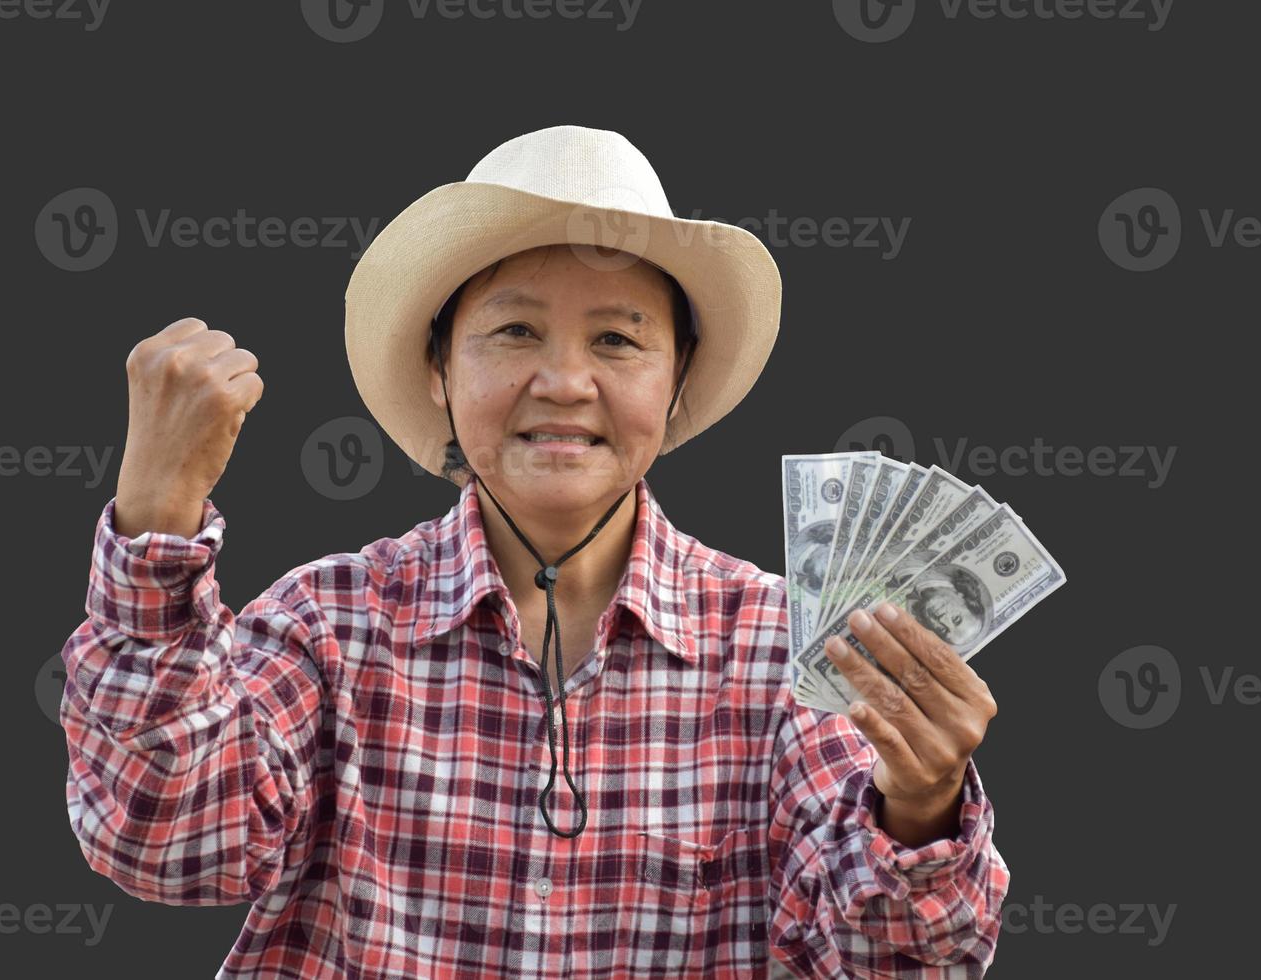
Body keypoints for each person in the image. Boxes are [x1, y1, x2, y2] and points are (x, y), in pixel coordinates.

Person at [57, 125, 1008, 978]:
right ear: (438, 369)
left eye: (618, 340)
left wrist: (918, 806)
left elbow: (886, 964)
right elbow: (169, 846)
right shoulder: (329, 622)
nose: (563, 381)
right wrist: (157, 516)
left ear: (677, 385)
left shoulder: (782, 645)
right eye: (514, 330)